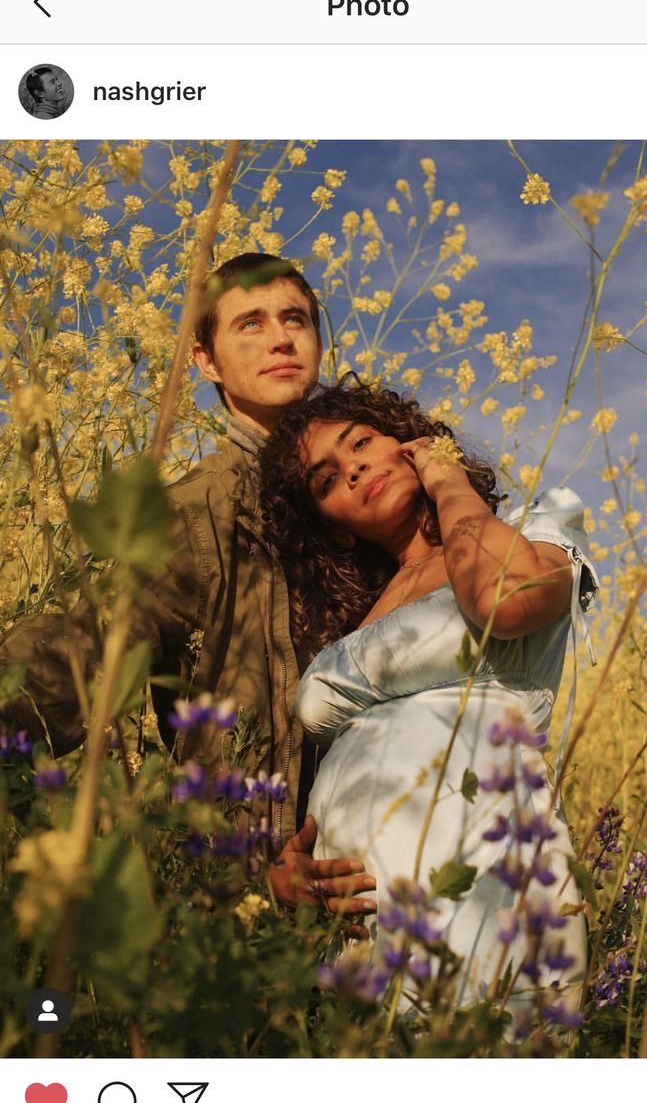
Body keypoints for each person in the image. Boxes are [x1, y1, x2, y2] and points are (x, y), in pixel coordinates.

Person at [0, 254, 376, 921]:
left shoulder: (366, 490)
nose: (281, 338)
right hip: (257, 890)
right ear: (205, 362)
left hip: (385, 873)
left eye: (295, 319)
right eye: (250, 324)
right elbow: (83, 655)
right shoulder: (193, 515)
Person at [259, 378, 600, 1004]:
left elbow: (505, 598)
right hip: (355, 931)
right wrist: (288, 870)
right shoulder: (353, 624)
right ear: (333, 527)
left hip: (489, 888)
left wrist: (446, 480)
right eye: (327, 480)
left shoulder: (531, 527)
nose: (354, 469)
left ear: (411, 443)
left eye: (360, 442)